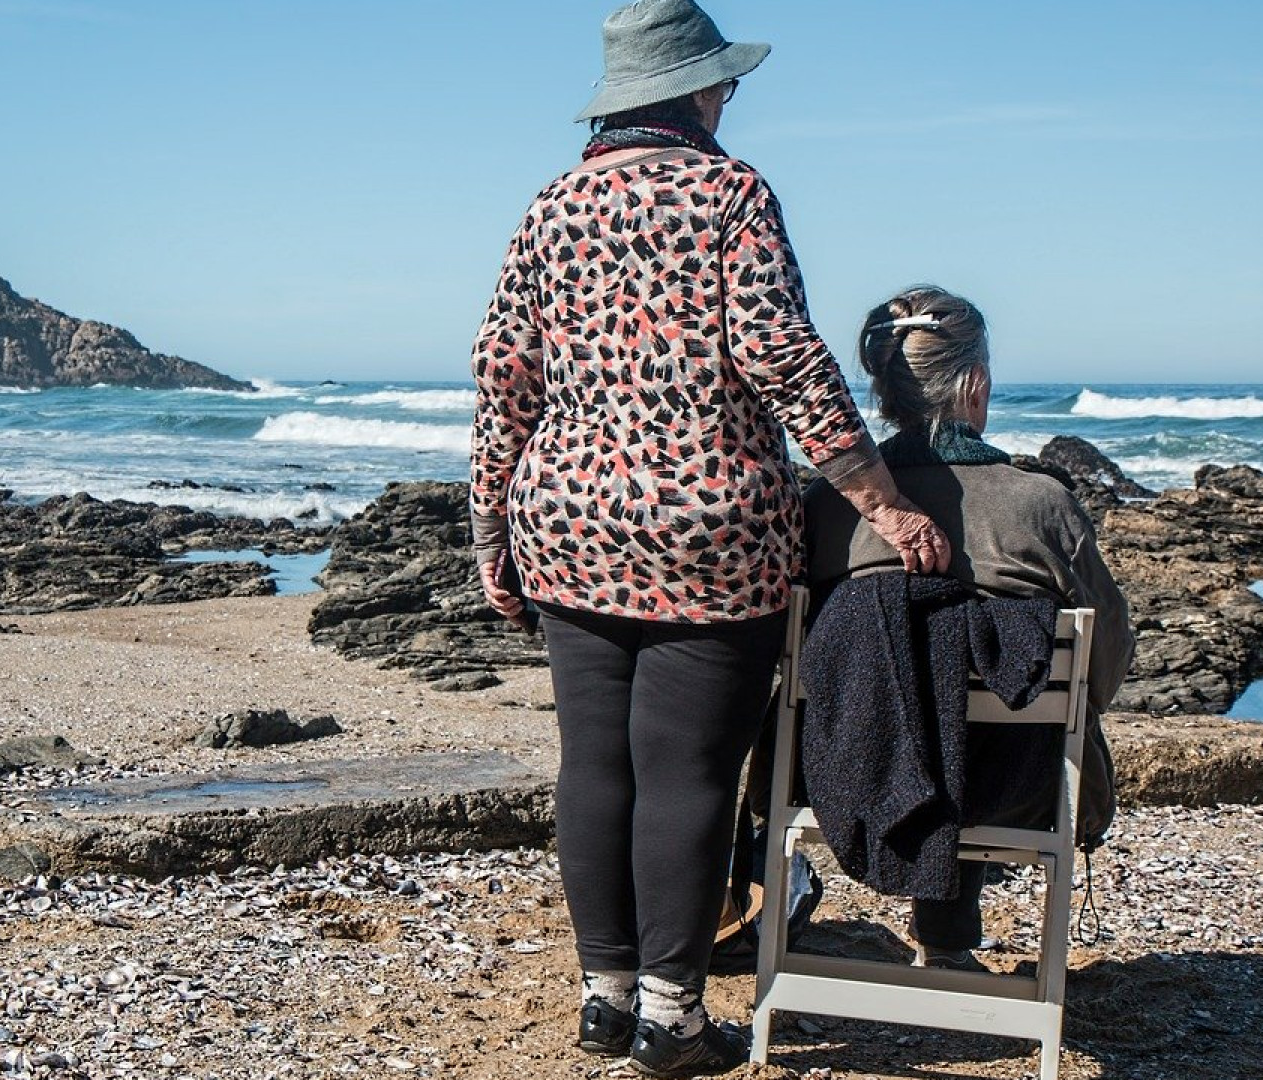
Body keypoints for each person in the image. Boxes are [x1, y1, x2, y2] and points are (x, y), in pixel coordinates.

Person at [468, 2, 951, 1074]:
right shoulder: (730, 192)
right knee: (686, 772)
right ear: (693, 90)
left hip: (570, 520)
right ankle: (670, 1018)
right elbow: (781, 353)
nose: (730, 100)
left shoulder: (551, 207)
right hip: (712, 528)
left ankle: (604, 996)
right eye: (723, 84)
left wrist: (491, 530)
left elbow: (505, 374)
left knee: (594, 765)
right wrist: (882, 499)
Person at [802, 284, 1133, 971]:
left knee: (907, 691)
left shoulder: (827, 506)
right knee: (987, 719)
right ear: (974, 383)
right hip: (1015, 785)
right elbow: (1107, 657)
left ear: (886, 393)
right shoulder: (1041, 505)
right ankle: (950, 943)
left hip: (841, 775)